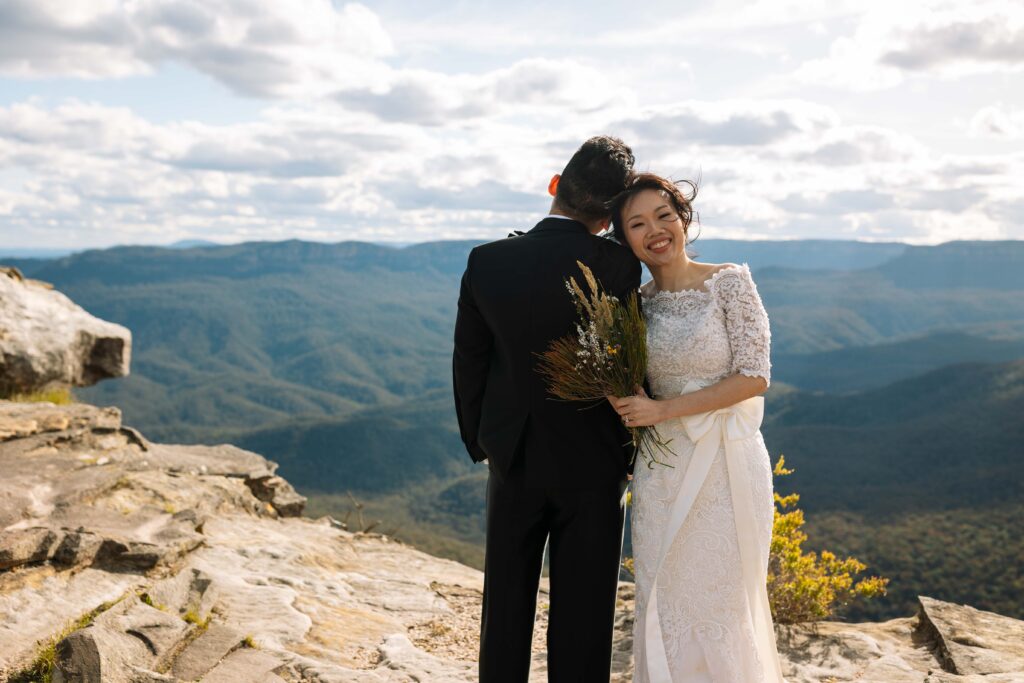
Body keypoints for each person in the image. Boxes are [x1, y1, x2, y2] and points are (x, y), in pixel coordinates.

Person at [452, 135, 642, 682]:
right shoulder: (618, 267)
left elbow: (470, 363)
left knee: (506, 602)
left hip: (513, 454)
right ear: (609, 217)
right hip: (596, 459)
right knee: (585, 611)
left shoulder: (487, 261)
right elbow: (633, 363)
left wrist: (481, 443)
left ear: (554, 186)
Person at [607, 173, 786, 682]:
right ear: (625, 239)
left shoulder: (729, 281)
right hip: (662, 471)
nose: (656, 230)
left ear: (683, 218)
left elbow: (755, 376)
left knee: (722, 601)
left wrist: (663, 411)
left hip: (728, 466)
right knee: (664, 598)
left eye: (664, 215)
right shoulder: (634, 306)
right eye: (638, 224)